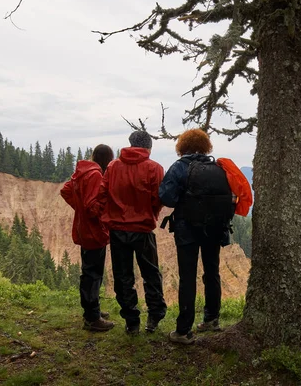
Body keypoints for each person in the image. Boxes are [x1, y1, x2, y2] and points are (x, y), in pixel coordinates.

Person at [159, 129, 232, 345]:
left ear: (182, 146)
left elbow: (167, 198)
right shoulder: (217, 167)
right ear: (205, 146)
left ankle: (183, 331)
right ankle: (211, 319)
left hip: (187, 229)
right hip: (214, 229)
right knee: (212, 273)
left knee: (187, 277)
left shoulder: (179, 167)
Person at [91, 130, 167, 335]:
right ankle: (154, 316)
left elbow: (102, 194)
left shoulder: (113, 166)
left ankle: (131, 320)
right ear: (148, 147)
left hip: (117, 230)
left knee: (123, 276)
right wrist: (151, 214)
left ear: (130, 144)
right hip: (143, 230)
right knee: (151, 273)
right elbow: (158, 199)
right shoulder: (155, 168)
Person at [60, 144, 115, 332]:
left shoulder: (82, 172)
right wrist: (104, 211)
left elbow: (66, 190)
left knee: (90, 271)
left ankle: (94, 310)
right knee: (93, 274)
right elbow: (93, 207)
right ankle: (92, 318)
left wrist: (80, 209)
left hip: (84, 229)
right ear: (107, 159)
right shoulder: (96, 175)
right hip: (94, 231)